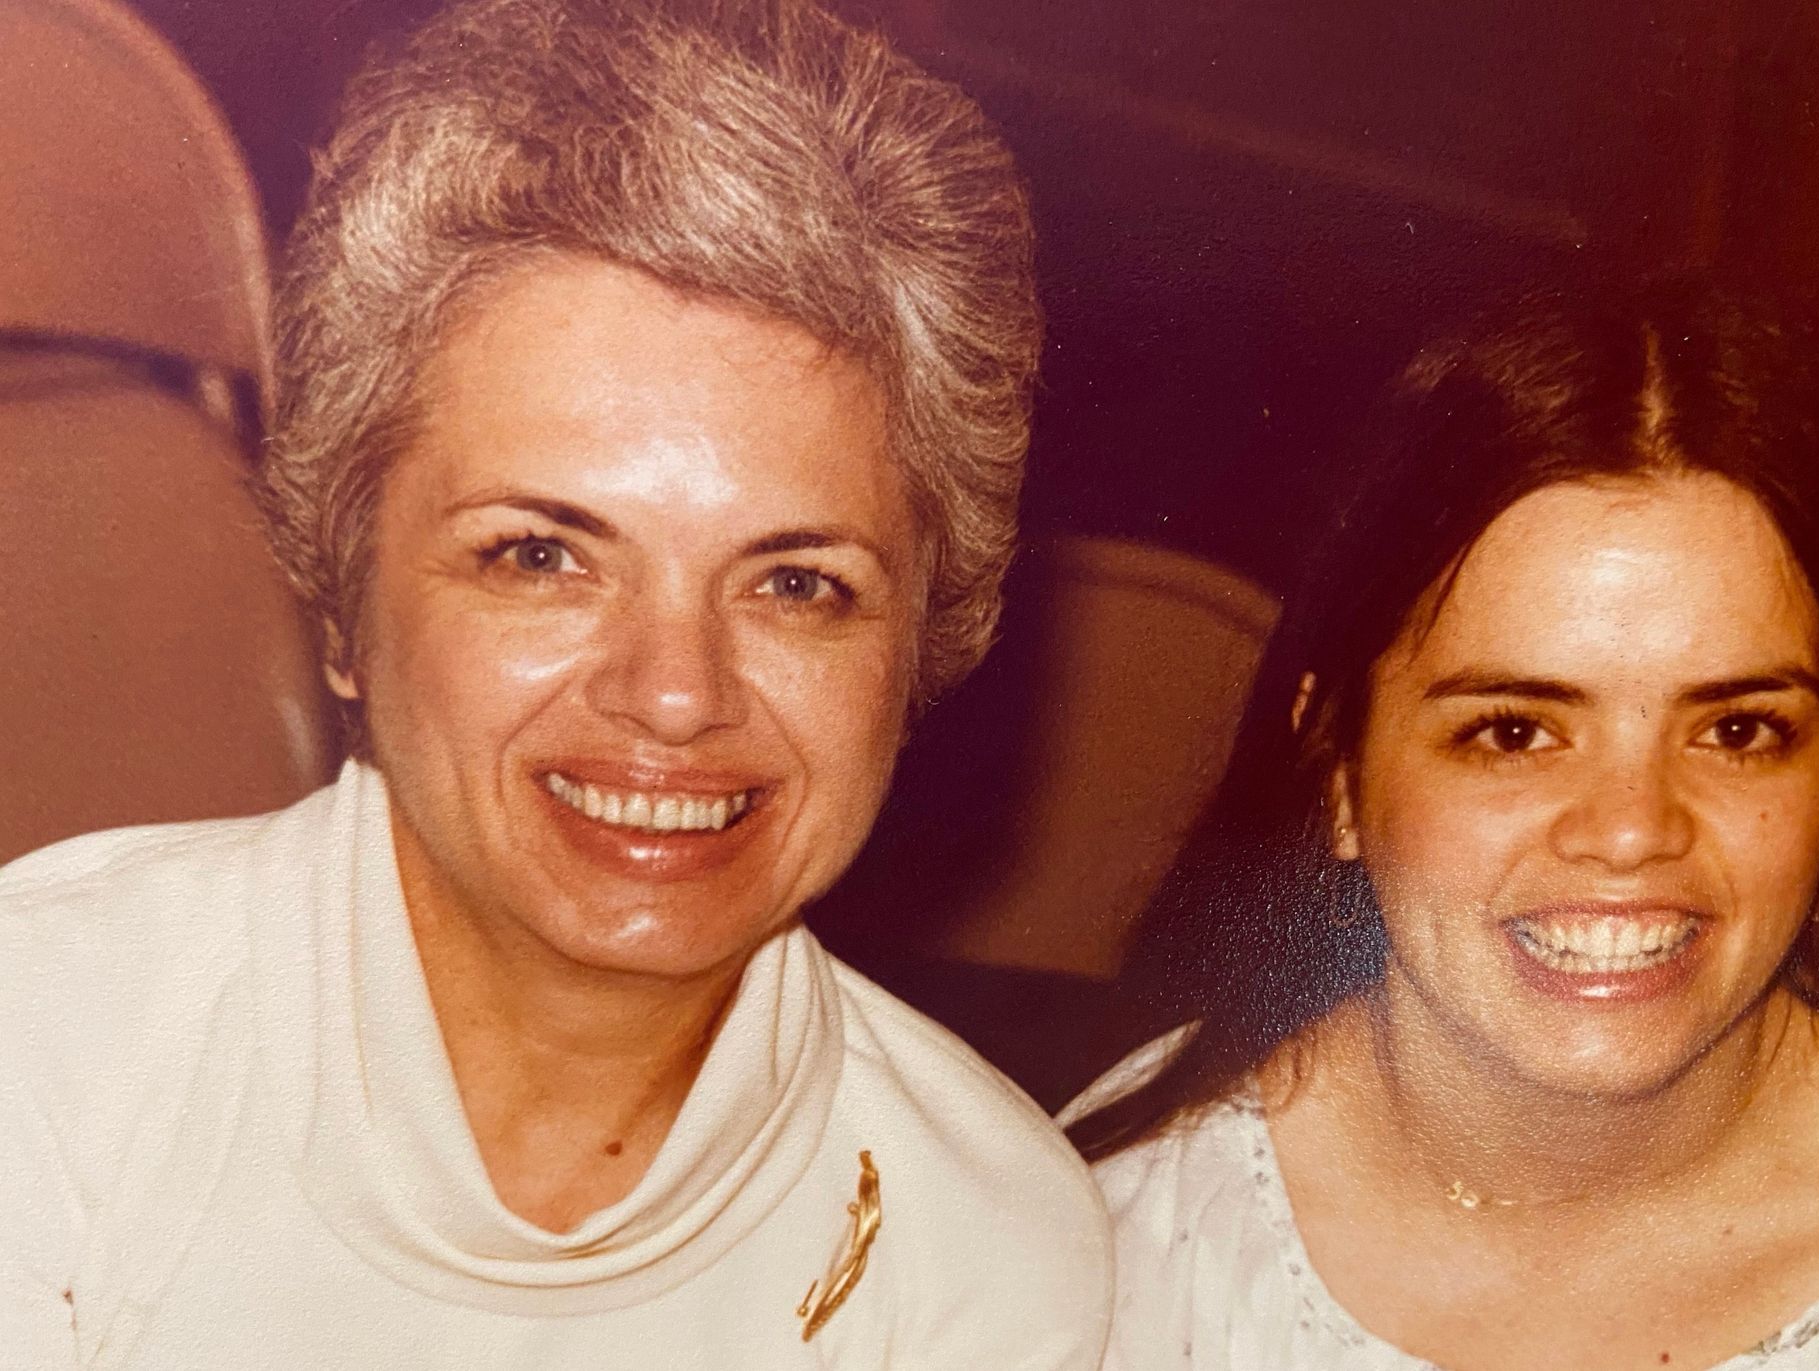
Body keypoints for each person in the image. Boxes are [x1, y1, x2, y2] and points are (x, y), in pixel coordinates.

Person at [0, 0, 1112, 1364]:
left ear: (916, 648)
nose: (675, 694)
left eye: (796, 583)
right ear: (344, 603)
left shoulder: (983, 1247)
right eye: (540, 555)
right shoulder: (46, 1043)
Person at [1065, 283, 1819, 1370]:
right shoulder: (1107, 1251)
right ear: (1336, 768)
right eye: (1513, 732)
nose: (1629, 832)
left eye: (1735, 730)